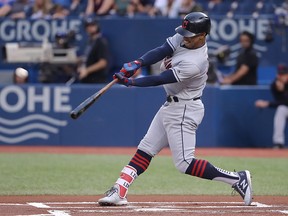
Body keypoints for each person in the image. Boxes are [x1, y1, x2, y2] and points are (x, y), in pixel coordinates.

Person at [98, 12, 253, 206]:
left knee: (185, 164)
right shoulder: (186, 36)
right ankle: (119, 190)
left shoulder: (196, 62)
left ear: (202, 35)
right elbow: (162, 49)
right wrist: (138, 62)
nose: (184, 37)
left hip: (185, 109)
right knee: (145, 149)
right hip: (171, 105)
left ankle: (237, 179)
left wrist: (131, 82)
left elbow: (161, 79)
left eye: (190, 35)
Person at [255, 64, 288, 149]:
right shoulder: (274, 85)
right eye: (280, 74)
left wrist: (267, 103)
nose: (281, 77)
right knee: (281, 109)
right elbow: (281, 103)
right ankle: (278, 143)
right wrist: (281, 92)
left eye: (283, 74)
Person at [78, 17, 110, 83]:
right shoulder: (89, 42)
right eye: (88, 26)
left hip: (96, 80)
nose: (90, 28)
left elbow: (103, 63)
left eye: (92, 25)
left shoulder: (100, 41)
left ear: (97, 26)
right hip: (86, 80)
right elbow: (87, 58)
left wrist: (86, 70)